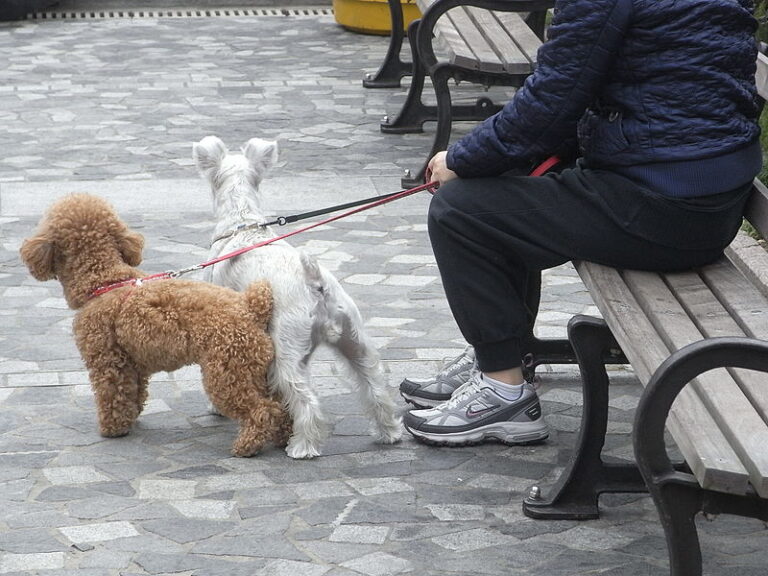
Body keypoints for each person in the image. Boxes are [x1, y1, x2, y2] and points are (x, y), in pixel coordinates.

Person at [400, 0, 762, 446]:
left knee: (460, 212)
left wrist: (460, 157)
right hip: (704, 197)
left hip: (664, 206)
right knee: (505, 178)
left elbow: (553, 98)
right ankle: (501, 356)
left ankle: (502, 389)